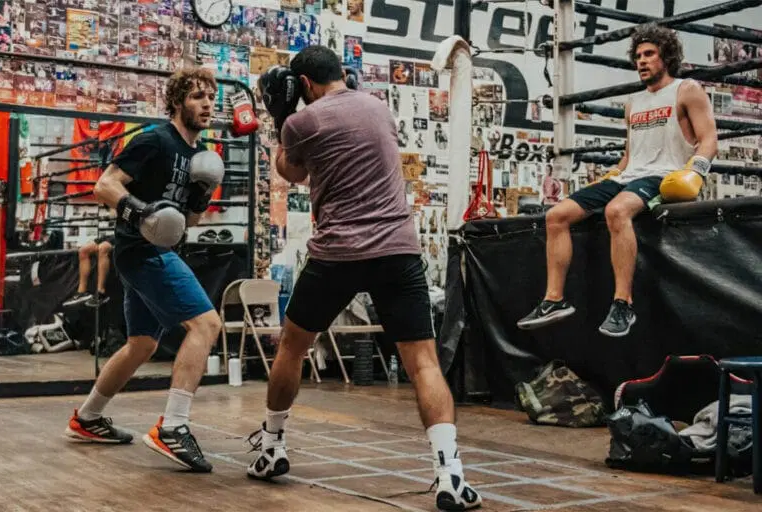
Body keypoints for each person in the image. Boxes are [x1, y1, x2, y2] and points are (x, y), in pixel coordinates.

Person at [249, 45, 482, 511]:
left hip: (337, 252)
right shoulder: (378, 106)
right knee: (424, 364)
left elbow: (290, 173)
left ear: (305, 85)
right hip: (398, 249)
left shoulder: (301, 123)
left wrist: (280, 117)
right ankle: (450, 476)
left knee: (292, 346)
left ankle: (272, 445)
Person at [63, 68, 225, 474]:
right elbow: (105, 185)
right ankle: (173, 427)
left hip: (155, 250)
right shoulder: (154, 139)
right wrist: (140, 211)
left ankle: (88, 417)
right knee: (206, 325)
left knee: (142, 345)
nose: (207, 104)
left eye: (211, 97)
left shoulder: (197, 154)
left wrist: (201, 197)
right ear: (176, 102)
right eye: (196, 97)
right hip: (142, 251)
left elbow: (186, 223)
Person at [517, 24, 717, 337]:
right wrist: (612, 175)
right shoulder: (633, 103)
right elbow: (630, 153)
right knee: (556, 215)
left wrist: (695, 172)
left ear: (666, 56)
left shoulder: (686, 89)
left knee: (616, 211)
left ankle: (623, 303)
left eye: (649, 54)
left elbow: (709, 139)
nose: (642, 61)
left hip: (662, 175)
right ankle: (554, 300)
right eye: (638, 55)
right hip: (629, 174)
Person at [63, 235, 114, 308]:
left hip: (123, 233)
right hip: (111, 235)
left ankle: (101, 293)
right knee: (83, 250)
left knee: (103, 247)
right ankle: (82, 292)